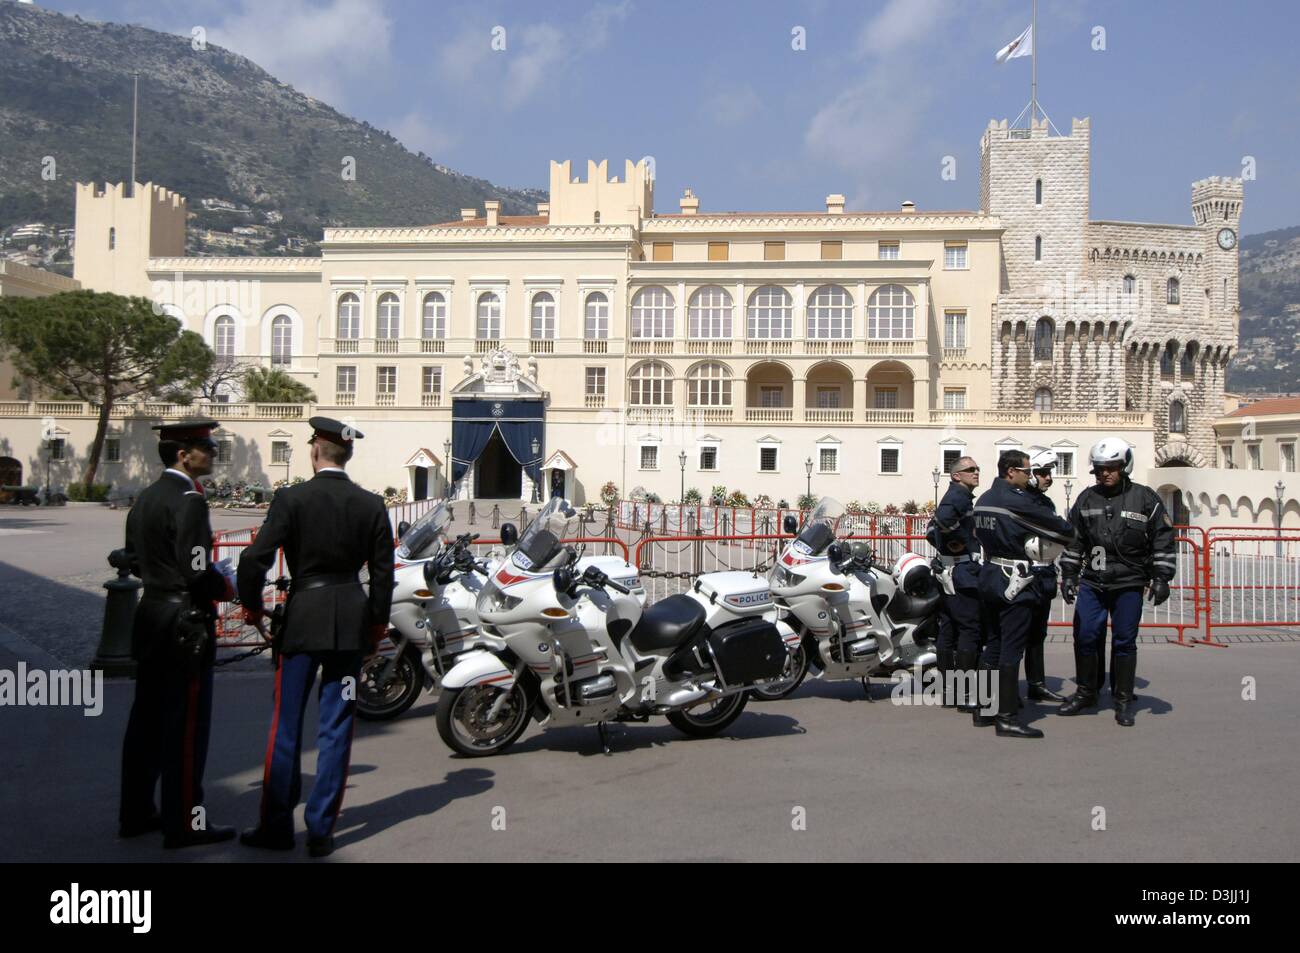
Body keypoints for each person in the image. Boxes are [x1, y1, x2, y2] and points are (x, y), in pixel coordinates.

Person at [237, 417, 395, 856]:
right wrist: (376, 625)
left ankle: (275, 826)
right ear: (348, 455)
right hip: (349, 627)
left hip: (302, 623)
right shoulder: (371, 505)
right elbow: (384, 576)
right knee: (338, 726)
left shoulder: (292, 499)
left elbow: (253, 560)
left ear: (314, 451)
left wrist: (251, 606)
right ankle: (322, 829)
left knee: (285, 727)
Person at [119, 418, 237, 848]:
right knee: (186, 728)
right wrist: (227, 585)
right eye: (205, 446)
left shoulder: (147, 497)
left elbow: (130, 557)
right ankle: (185, 821)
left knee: (145, 722)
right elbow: (196, 569)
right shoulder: (189, 499)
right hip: (183, 623)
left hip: (151, 615)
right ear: (183, 454)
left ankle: (134, 812)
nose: (213, 452)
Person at [1057, 438, 1176, 726]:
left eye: (1111, 468)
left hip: (1129, 583)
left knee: (1124, 642)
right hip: (1093, 583)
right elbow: (1075, 541)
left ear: (1124, 466)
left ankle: (1123, 700)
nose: (1104, 474)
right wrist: (1069, 574)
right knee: (1085, 636)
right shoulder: (1086, 499)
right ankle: (1087, 692)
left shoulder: (1146, 498)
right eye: (1099, 469)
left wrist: (1162, 577)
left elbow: (1162, 539)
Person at [972, 449, 1074, 738]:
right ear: (1011, 472)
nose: (1030, 476)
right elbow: (1063, 529)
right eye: (1027, 471)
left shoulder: (984, 500)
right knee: (1011, 648)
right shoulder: (1015, 501)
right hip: (1014, 579)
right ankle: (1006, 717)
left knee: (992, 645)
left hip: (990, 574)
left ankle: (985, 709)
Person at [926, 455, 984, 710]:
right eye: (970, 469)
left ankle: (949, 691)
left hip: (950, 571)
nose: (976, 472)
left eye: (977, 469)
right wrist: (962, 545)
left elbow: (930, 530)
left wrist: (947, 548)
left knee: (948, 630)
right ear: (956, 476)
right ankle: (965, 692)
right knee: (970, 629)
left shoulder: (957, 496)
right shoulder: (958, 496)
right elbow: (942, 521)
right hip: (962, 573)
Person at [1022, 447, 1068, 703]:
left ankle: (1036, 684)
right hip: (1024, 575)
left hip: (1045, 573)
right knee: (1016, 634)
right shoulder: (1019, 501)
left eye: (1049, 472)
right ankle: (1004, 690)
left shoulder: (1046, 502)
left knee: (1037, 634)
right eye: (1042, 473)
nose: (1048, 477)